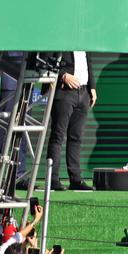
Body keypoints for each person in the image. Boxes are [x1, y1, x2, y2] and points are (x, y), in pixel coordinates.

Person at [46, 52, 96, 191]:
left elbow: (88, 62)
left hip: (83, 91)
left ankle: (76, 179)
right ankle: (53, 179)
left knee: (76, 138)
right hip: (64, 91)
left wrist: (92, 86)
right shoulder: (61, 35)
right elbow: (46, 60)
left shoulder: (84, 37)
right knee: (58, 136)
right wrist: (63, 75)